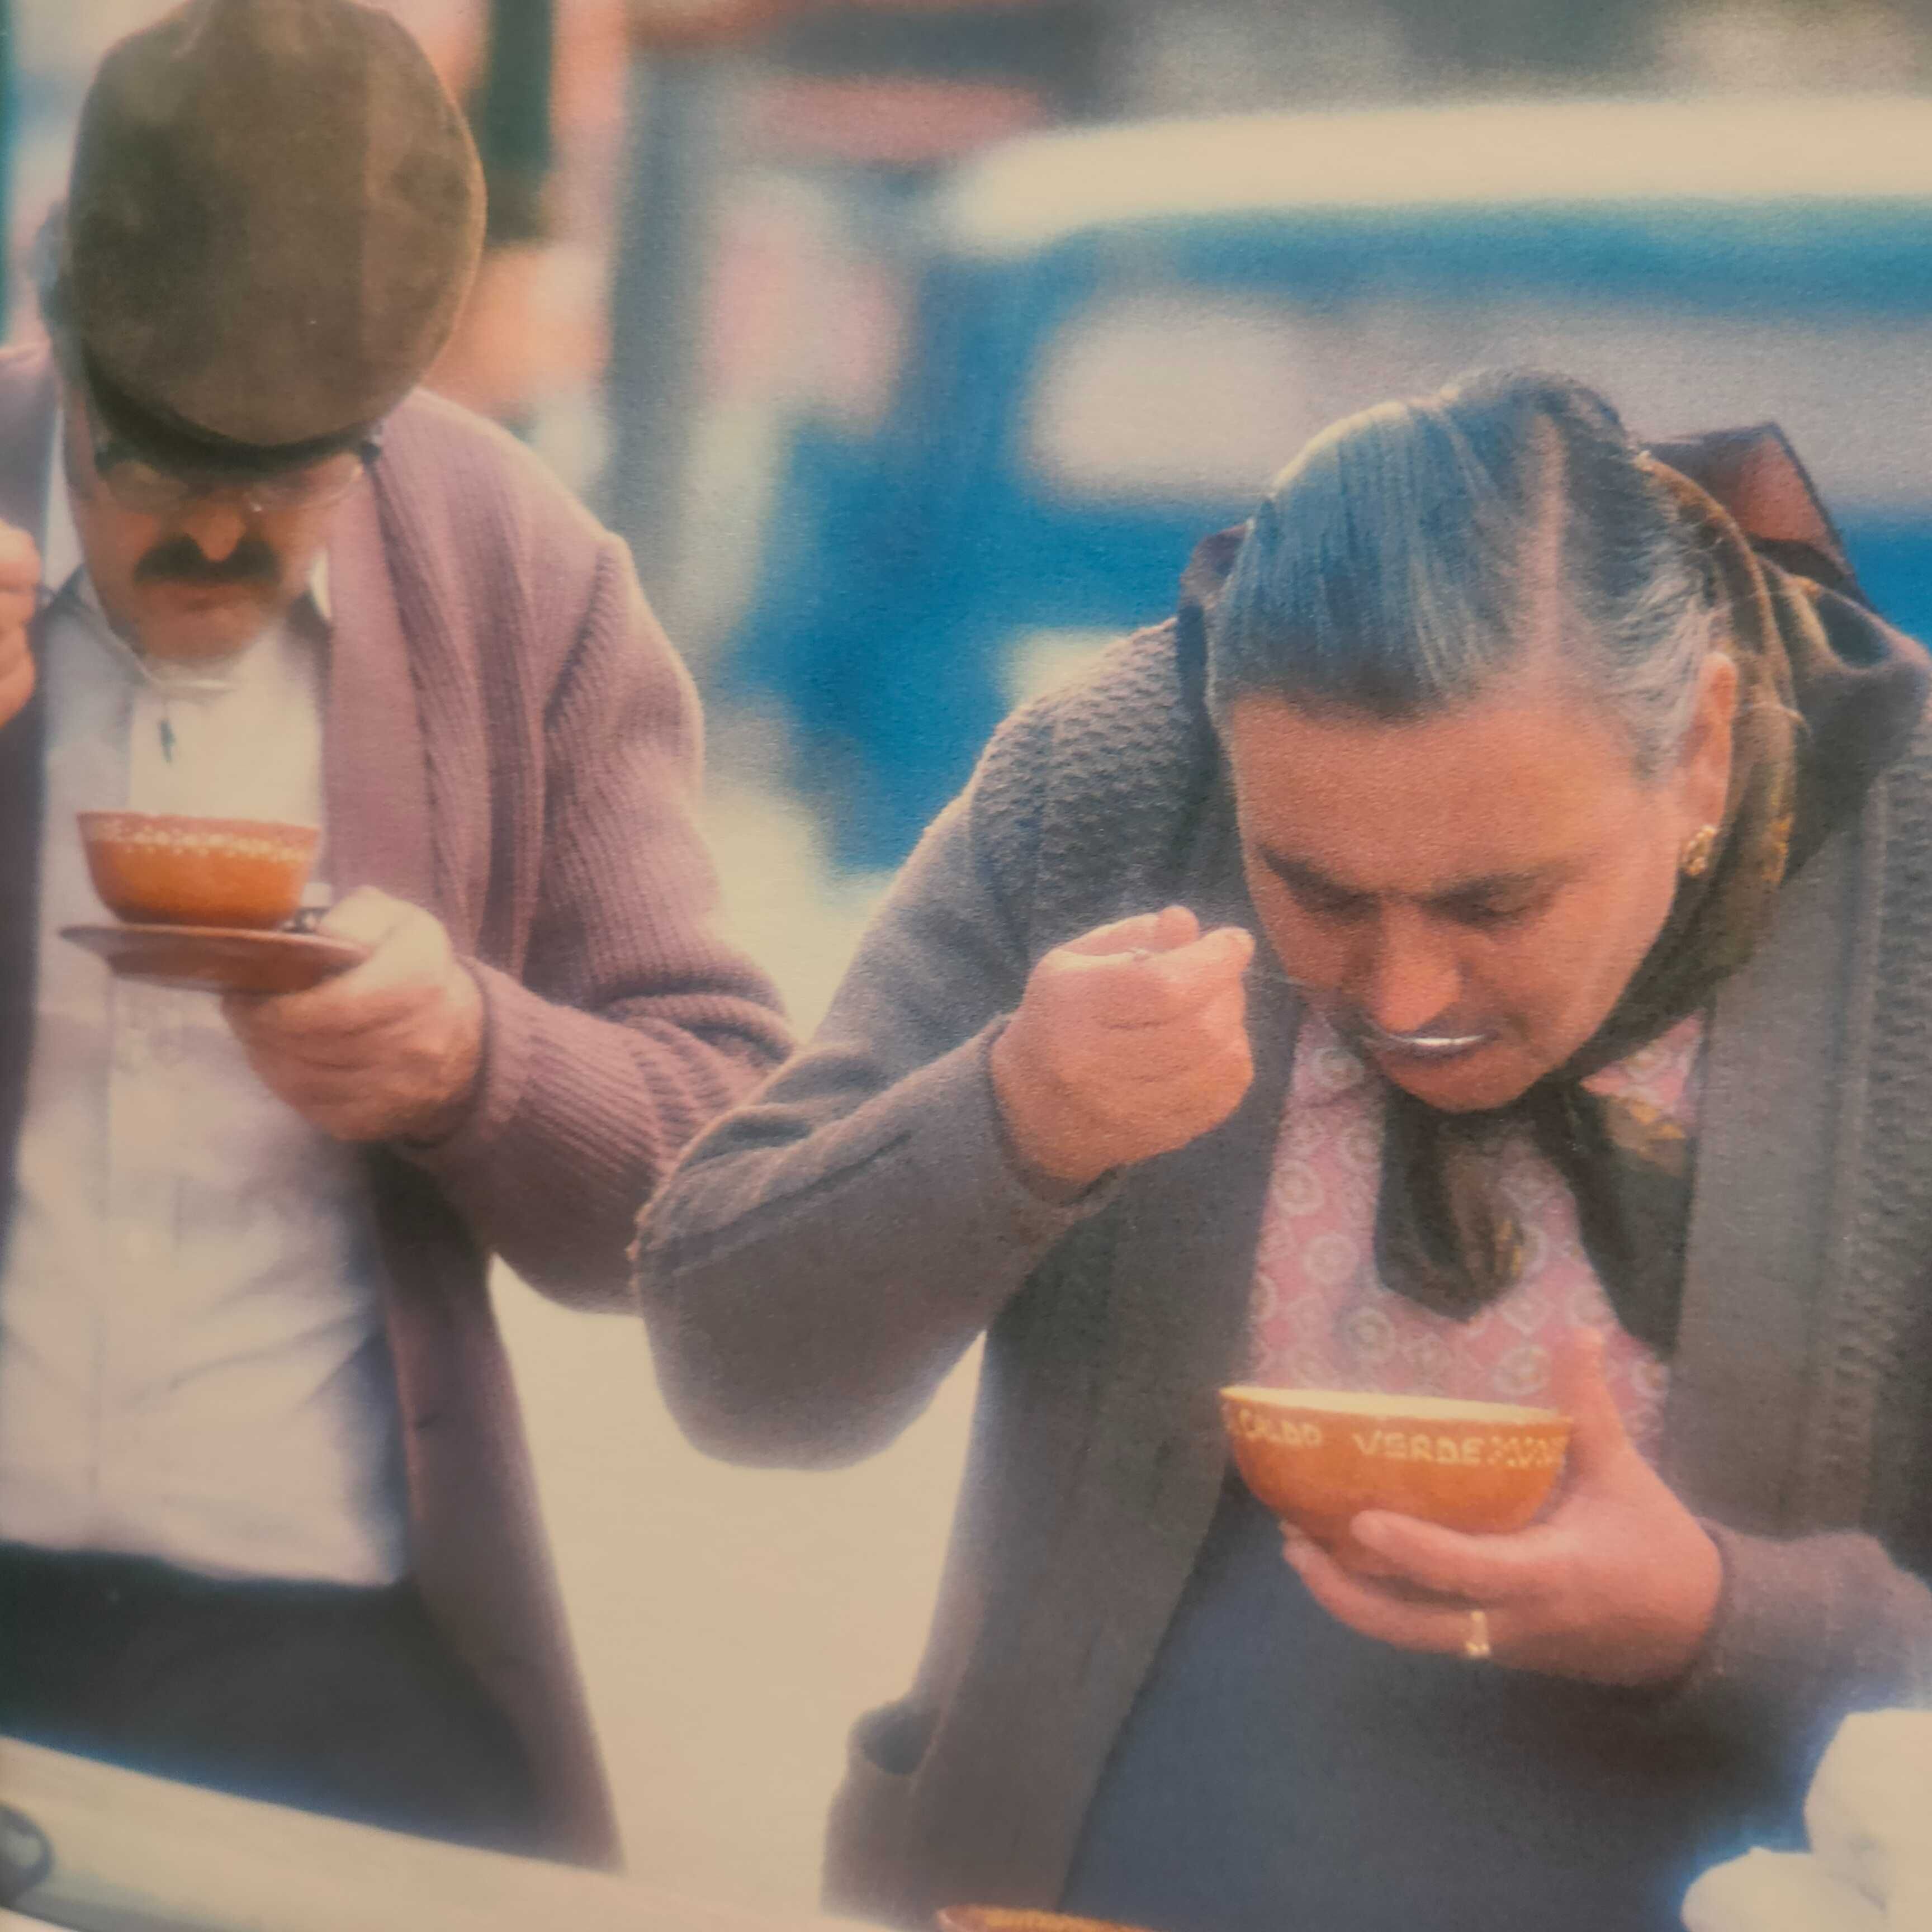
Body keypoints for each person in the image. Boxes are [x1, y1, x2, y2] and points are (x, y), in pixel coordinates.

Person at [635, 369, 1932, 1931]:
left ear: (1705, 749)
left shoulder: (1905, 896)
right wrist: (1013, 1124)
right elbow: (737, 1370)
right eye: (1312, 888)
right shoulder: (1115, 784)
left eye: (1495, 903)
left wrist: (1722, 1621)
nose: (1400, 996)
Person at [0, 0, 789, 1867]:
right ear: (68, 340)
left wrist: (477, 1064)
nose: (212, 546)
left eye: (284, 490)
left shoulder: (520, 570)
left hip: (327, 1646)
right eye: (147, 471)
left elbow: (728, 1165)